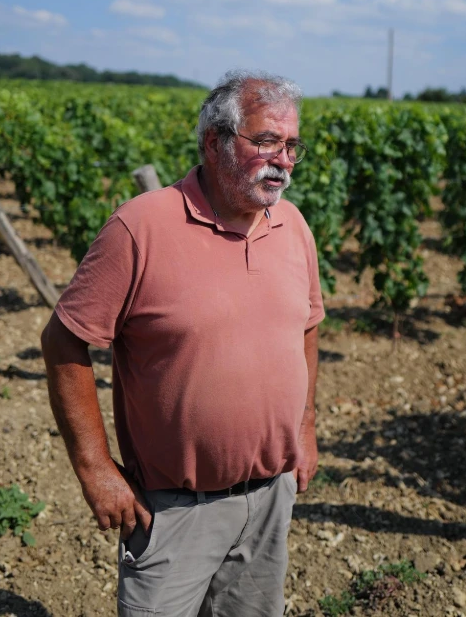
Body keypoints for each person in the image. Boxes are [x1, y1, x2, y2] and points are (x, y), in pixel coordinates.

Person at [41, 70, 325, 617]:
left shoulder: (292, 225)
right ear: (214, 143)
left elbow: (308, 326)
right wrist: (95, 468)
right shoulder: (140, 228)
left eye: (292, 145)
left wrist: (306, 429)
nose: (284, 159)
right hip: (174, 510)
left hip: (270, 500)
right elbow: (63, 342)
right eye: (266, 141)